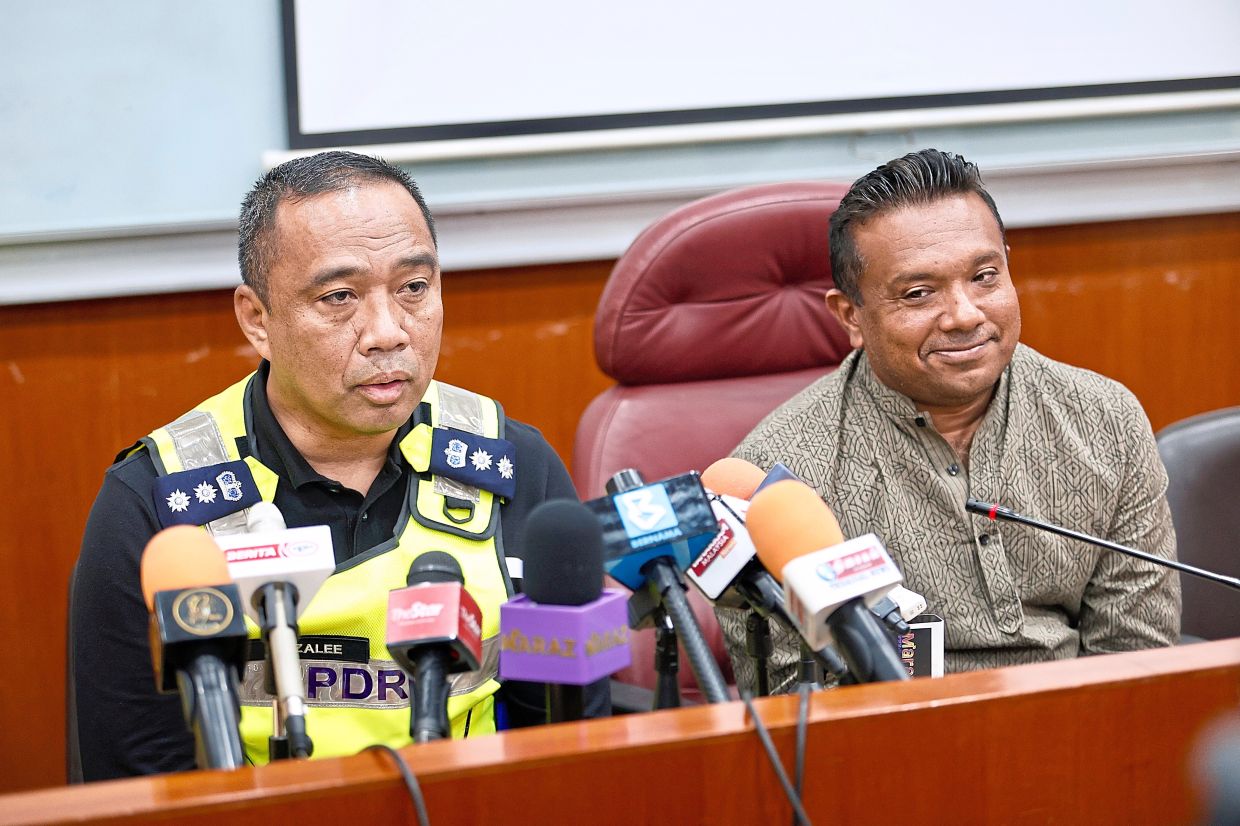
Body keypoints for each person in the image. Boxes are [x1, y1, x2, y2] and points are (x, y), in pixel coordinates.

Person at [71, 151, 604, 780]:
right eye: (339, 297)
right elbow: (139, 774)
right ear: (257, 319)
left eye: (413, 288)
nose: (388, 332)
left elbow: (570, 731)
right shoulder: (156, 499)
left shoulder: (514, 465)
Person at [720, 149, 1181, 693]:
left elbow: (1137, 656)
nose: (964, 314)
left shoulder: (1104, 419)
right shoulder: (779, 479)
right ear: (851, 316)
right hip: (889, 735)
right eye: (919, 294)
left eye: (984, 277)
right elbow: (789, 700)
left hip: (1076, 723)